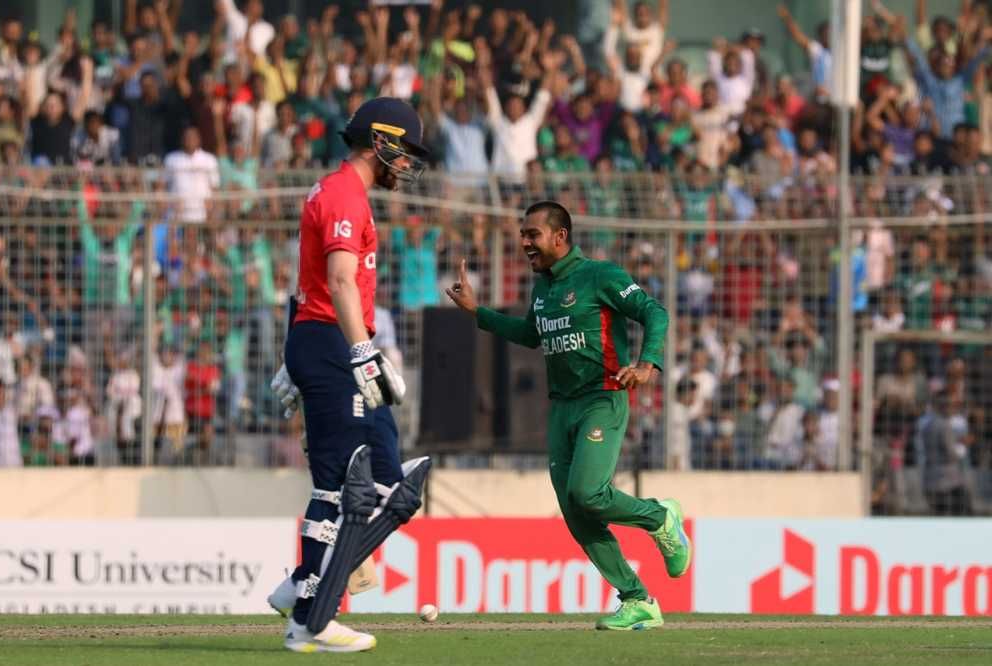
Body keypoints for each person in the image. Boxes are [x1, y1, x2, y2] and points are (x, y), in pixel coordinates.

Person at [445, 200, 691, 631]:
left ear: (560, 236)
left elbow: (655, 312)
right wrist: (476, 313)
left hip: (603, 396)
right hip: (562, 409)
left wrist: (648, 362)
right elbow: (529, 335)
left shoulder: (601, 275)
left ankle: (659, 517)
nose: (524, 242)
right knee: (576, 511)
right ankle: (637, 600)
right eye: (522, 234)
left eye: (532, 234)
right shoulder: (543, 287)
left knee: (587, 492)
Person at [267, 97, 432, 653]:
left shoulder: (339, 191)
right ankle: (311, 615)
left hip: (326, 339)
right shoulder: (342, 194)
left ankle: (303, 589)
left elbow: (307, 281)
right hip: (335, 342)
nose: (406, 163)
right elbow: (337, 281)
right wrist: (359, 353)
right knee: (339, 483)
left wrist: (300, 349)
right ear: (380, 141)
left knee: (389, 479)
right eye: (403, 150)